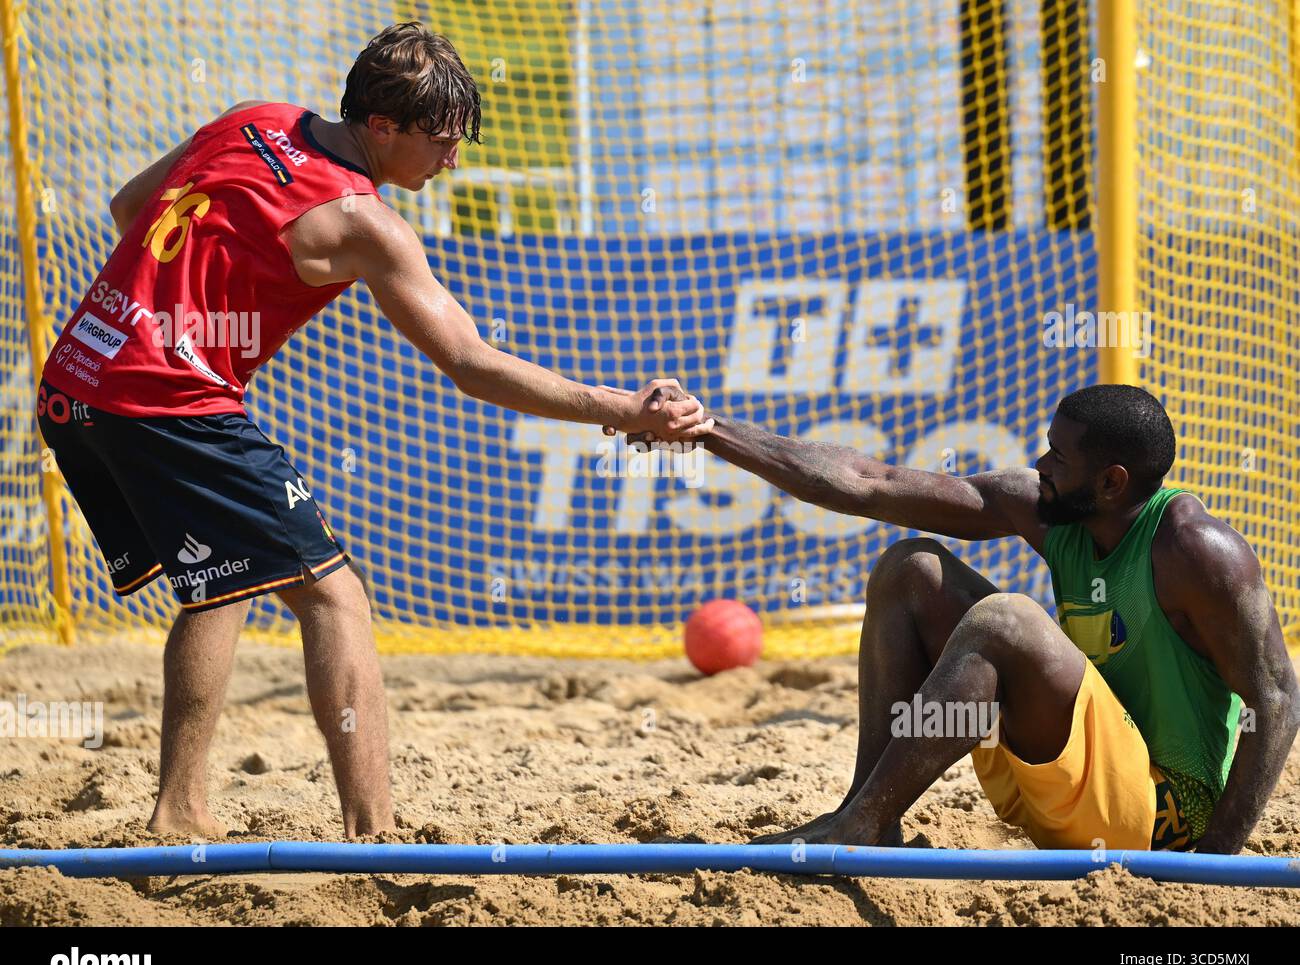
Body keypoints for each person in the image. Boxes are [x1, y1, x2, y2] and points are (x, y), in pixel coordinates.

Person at [36, 22, 712, 839]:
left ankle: (180, 807)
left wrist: (189, 302)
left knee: (224, 576)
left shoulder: (252, 116)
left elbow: (126, 209)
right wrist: (621, 411)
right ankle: (372, 830)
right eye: (441, 141)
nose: (453, 160)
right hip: (168, 398)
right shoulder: (363, 222)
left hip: (78, 375)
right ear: (382, 127)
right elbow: (468, 361)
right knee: (335, 595)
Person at [686, 384, 1298, 853]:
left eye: (1058, 456)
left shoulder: (1196, 550)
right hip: (1064, 781)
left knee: (1007, 620)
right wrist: (706, 428)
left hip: (1158, 821)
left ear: (1111, 482)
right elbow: (869, 483)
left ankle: (858, 824)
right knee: (911, 569)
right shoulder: (1051, 508)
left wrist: (1218, 862)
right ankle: (870, 817)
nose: (1041, 462)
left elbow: (1276, 700)